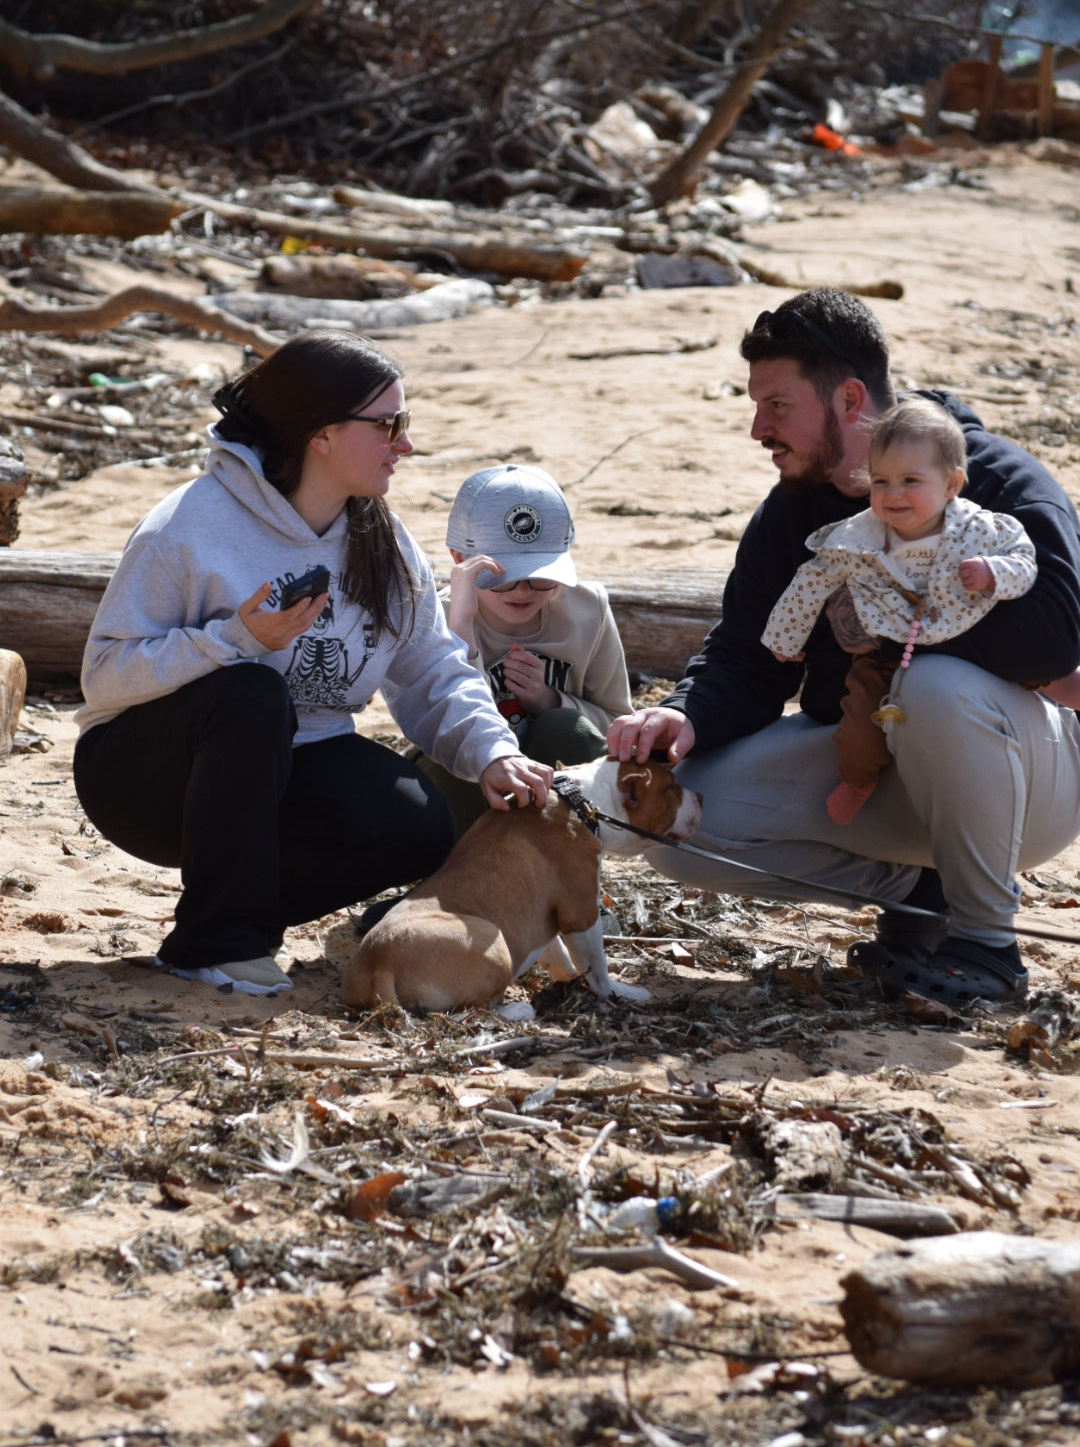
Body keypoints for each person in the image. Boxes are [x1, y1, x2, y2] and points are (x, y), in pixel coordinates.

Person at [607, 288, 1080, 1004]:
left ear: (850, 397)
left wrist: (895, 609)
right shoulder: (794, 515)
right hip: (870, 763)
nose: (758, 428)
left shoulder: (993, 482)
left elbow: (1057, 637)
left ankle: (987, 945)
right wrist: (685, 715)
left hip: (1026, 782)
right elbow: (746, 656)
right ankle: (925, 896)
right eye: (756, 405)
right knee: (675, 819)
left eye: (777, 406)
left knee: (932, 686)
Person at [73, 332, 551, 998]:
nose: (406, 443)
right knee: (251, 694)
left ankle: (215, 926)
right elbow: (104, 677)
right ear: (320, 434)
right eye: (388, 425)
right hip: (144, 784)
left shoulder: (380, 536)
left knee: (415, 819)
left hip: (285, 778)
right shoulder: (188, 526)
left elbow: (434, 668)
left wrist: (494, 754)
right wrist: (235, 636)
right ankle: (222, 944)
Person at [763, 399, 1038, 825]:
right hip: (888, 651)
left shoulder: (979, 529)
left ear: (951, 484)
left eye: (910, 480)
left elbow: (1025, 561)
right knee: (859, 723)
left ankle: (1059, 686)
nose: (893, 494)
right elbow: (810, 582)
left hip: (969, 640)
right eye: (880, 481)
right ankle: (857, 781)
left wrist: (993, 572)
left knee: (1026, 660)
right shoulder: (858, 538)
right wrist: (785, 636)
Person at [411, 463, 632, 835]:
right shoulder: (439, 616)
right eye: (502, 575)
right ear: (459, 560)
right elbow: (432, 725)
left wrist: (552, 702)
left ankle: (561, 860)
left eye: (541, 573)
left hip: (553, 792)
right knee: (446, 760)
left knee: (566, 729)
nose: (523, 590)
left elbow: (616, 723)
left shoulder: (587, 608)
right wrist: (462, 629)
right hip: (469, 790)